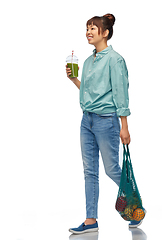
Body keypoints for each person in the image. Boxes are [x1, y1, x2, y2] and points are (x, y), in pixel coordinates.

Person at [66, 14, 140, 234]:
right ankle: (91, 220)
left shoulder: (115, 59)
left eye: (93, 28)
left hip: (107, 121)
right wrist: (74, 80)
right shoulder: (88, 61)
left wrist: (124, 126)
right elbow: (90, 93)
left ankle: (136, 206)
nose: (88, 32)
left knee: (112, 169)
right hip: (86, 121)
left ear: (105, 32)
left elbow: (120, 94)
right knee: (90, 171)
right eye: (87, 28)